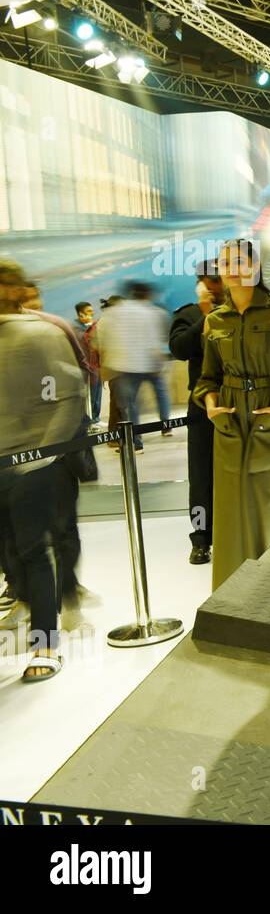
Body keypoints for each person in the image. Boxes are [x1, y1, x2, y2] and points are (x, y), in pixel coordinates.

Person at [192, 239, 270, 591]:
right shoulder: (214, 320)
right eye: (224, 261)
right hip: (230, 424)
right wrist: (213, 407)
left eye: (239, 260)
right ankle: (236, 594)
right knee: (232, 514)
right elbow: (206, 378)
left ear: (255, 265)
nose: (231, 267)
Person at [0, 260, 85, 681]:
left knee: (35, 551)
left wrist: (40, 457)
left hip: (28, 466)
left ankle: (45, 644)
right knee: (11, 557)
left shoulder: (42, 333)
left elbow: (70, 395)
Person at [169, 260, 225, 565]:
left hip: (239, 402)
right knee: (202, 475)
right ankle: (201, 538)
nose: (218, 284)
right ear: (202, 282)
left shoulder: (240, 311)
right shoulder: (188, 314)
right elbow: (178, 349)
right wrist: (203, 318)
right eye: (212, 279)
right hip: (203, 405)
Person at [91, 281, 172, 452]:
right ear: (147, 295)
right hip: (151, 363)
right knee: (161, 395)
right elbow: (160, 338)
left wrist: (105, 366)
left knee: (130, 406)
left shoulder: (112, 313)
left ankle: (135, 442)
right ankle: (166, 424)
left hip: (125, 366)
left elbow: (101, 341)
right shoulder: (155, 312)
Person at [74, 302, 103, 427]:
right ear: (81, 313)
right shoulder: (76, 327)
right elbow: (82, 341)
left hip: (97, 364)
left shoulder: (93, 325)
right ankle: (90, 420)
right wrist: (89, 327)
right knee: (90, 394)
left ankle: (96, 417)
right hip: (87, 366)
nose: (92, 313)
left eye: (92, 311)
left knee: (97, 393)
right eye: (89, 311)